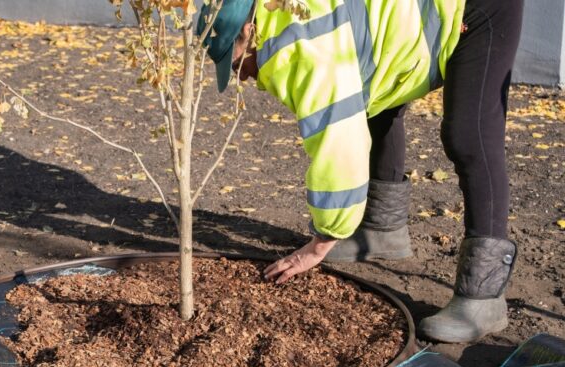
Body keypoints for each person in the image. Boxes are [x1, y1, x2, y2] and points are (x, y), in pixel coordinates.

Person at [198, 0, 522, 343]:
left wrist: (320, 244)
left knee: (468, 135)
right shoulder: (287, 16)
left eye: (235, 62)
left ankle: (484, 296)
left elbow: (339, 143)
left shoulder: (304, 52)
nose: (241, 76)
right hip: (408, 19)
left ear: (249, 30)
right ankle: (382, 231)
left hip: (479, 9)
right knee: (374, 97)